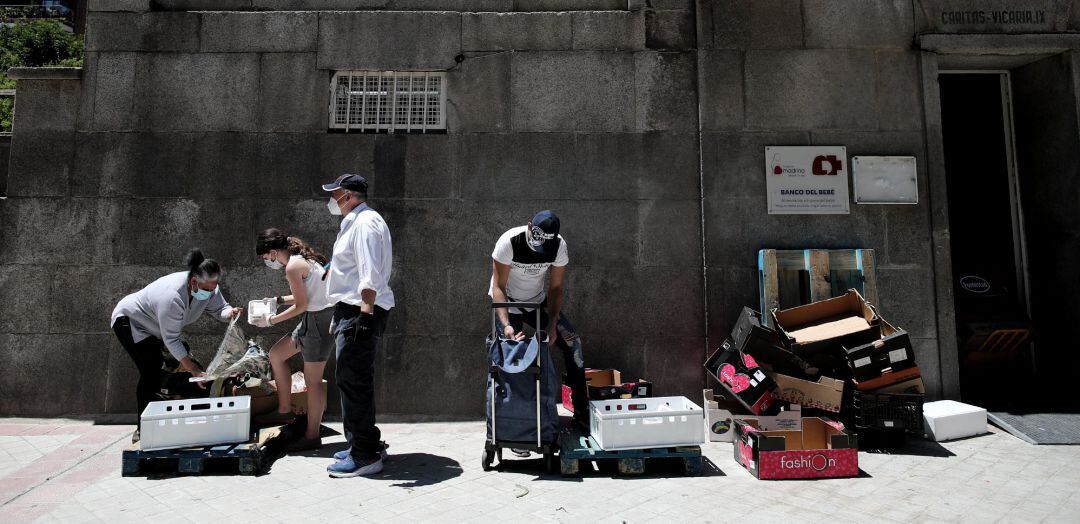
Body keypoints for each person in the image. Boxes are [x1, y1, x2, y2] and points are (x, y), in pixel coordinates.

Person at [111, 249, 242, 442]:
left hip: (156, 328)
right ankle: (143, 427)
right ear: (193, 282)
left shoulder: (208, 286)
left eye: (213, 288)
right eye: (206, 290)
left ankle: (167, 394)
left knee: (177, 361)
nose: (210, 293)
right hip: (130, 322)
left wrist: (230, 312)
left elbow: (219, 307)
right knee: (150, 370)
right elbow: (171, 339)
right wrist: (194, 371)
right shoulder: (171, 295)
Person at [489, 210, 588, 449]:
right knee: (511, 355)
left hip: (538, 301)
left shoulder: (558, 246)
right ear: (529, 226)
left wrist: (552, 324)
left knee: (573, 344)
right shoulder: (509, 242)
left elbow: (555, 288)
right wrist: (506, 326)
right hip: (508, 302)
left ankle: (583, 413)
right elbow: (498, 286)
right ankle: (514, 426)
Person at [321, 174, 395, 478]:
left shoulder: (365, 224)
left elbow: (369, 272)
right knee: (351, 380)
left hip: (360, 311)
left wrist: (364, 316)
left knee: (353, 382)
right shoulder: (357, 221)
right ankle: (362, 444)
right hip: (351, 309)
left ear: (349, 196)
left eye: (334, 194)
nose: (331, 200)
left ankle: (365, 454)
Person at [251, 229, 335, 452]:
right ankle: (284, 409)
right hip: (314, 318)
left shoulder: (292, 266)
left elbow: (302, 305)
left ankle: (311, 435)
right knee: (277, 355)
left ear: (272, 252)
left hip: (319, 321)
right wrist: (277, 300)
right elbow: (305, 296)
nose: (267, 262)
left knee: (313, 381)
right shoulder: (302, 259)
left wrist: (271, 320)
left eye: (265, 258)